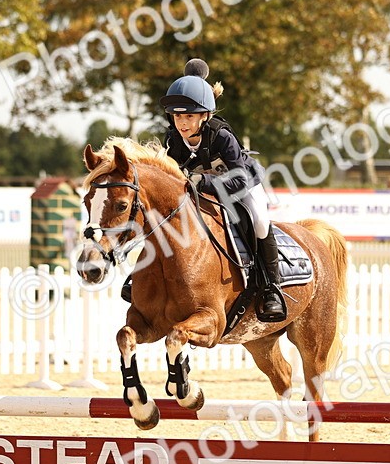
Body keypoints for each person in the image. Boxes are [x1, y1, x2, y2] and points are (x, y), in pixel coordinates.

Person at [122, 59, 285, 322]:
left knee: (259, 220)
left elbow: (239, 181)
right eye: (177, 116)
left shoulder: (222, 136)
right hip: (199, 191)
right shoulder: (172, 139)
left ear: (204, 116)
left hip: (240, 185)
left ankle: (271, 288)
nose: (182, 123)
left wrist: (203, 182)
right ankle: (140, 274)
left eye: (189, 116)